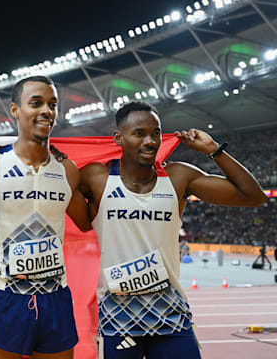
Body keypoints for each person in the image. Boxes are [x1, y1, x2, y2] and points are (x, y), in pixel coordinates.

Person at [78, 101, 267, 359]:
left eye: (155, 133)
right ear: (118, 138)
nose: (150, 141)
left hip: (170, 314)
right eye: (139, 133)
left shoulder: (178, 177)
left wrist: (213, 150)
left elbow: (253, 196)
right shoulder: (97, 178)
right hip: (118, 317)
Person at [0, 76, 89, 359]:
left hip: (55, 295)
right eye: (36, 103)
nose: (47, 111)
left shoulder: (67, 169)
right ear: (15, 110)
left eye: (52, 104)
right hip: (6, 296)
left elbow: (87, 220)